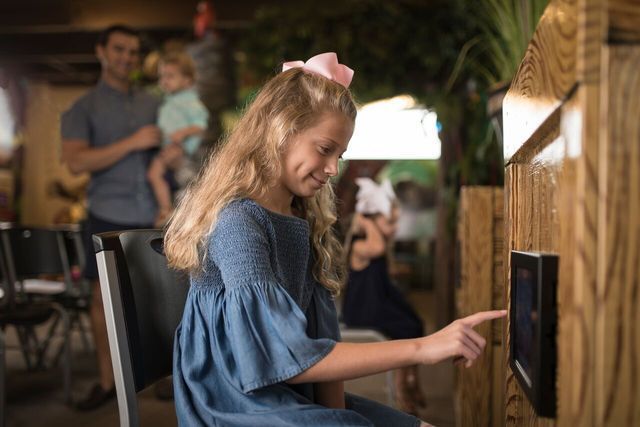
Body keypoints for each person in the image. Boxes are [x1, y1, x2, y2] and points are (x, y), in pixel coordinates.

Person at [164, 52, 506, 426]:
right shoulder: (238, 223)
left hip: (287, 397)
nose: (332, 169)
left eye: (340, 155)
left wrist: (337, 415)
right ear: (280, 129)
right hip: (235, 406)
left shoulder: (299, 221)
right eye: (325, 149)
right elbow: (282, 358)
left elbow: (319, 336)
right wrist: (423, 348)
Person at [60, 24, 161, 410]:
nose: (127, 58)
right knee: (103, 302)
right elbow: (74, 161)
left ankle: (162, 376)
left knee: (158, 299)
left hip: (155, 214)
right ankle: (108, 383)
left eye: (133, 52)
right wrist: (132, 143)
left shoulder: (154, 103)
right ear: (101, 51)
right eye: (119, 49)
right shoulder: (82, 108)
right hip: (106, 214)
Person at [341, 177, 427, 414]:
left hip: (379, 303)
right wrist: (365, 222)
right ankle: (401, 386)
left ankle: (411, 379)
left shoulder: (376, 246)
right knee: (404, 329)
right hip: (364, 310)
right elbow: (377, 248)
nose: (395, 228)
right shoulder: (360, 245)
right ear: (370, 221)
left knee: (415, 322)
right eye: (390, 222)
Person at [148, 52, 208, 227]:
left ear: (187, 80)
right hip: (169, 146)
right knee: (155, 174)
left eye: (170, 76)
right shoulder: (171, 100)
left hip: (178, 147)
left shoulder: (190, 101)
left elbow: (200, 125)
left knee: (157, 174)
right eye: (162, 76)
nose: (164, 81)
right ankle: (167, 208)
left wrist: (183, 133)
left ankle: (168, 209)